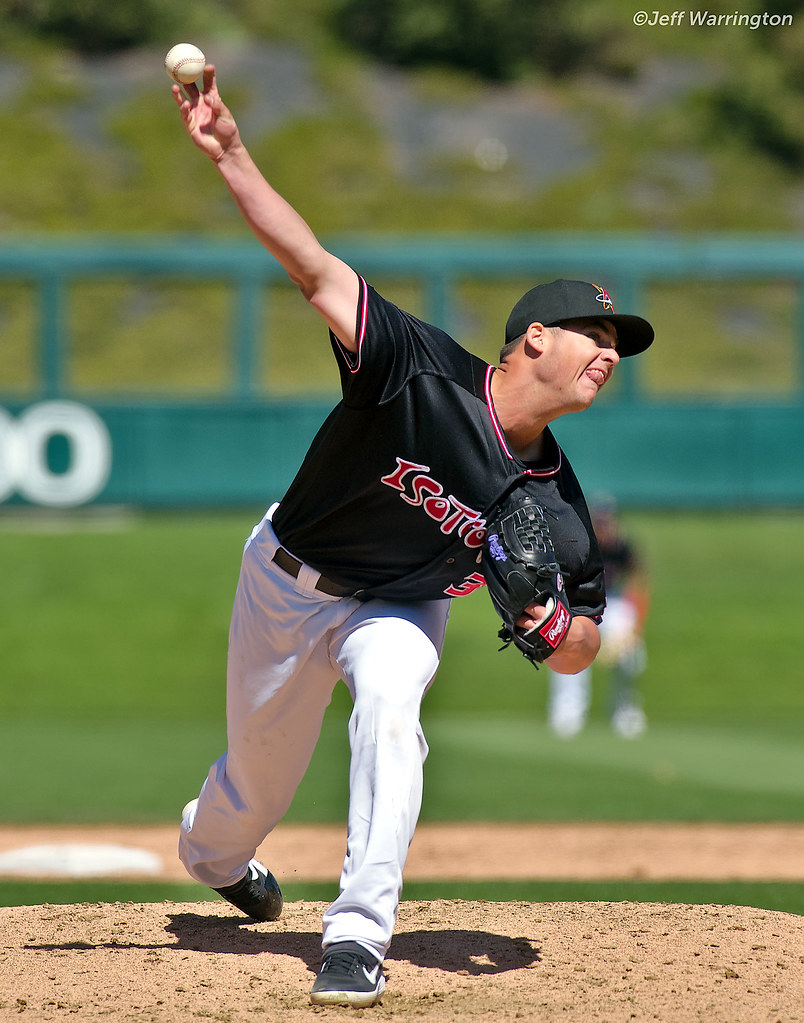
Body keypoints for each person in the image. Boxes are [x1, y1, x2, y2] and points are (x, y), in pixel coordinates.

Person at [171, 65, 654, 1008]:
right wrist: (230, 153)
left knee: (393, 707)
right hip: (286, 579)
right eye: (593, 330)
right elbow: (312, 265)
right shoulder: (416, 367)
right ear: (531, 340)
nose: (608, 350)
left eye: (619, 343)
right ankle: (213, 849)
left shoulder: (557, 499)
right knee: (249, 797)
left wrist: (555, 630)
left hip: (399, 605)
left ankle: (355, 936)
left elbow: (584, 643)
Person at [547, 496, 651, 739]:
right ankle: (567, 712)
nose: (603, 526)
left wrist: (635, 622)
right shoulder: (580, 543)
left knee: (631, 652)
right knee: (569, 646)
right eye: (599, 521)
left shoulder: (621, 547)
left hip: (612, 603)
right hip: (579, 602)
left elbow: (639, 579)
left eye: (607, 521)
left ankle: (625, 711)